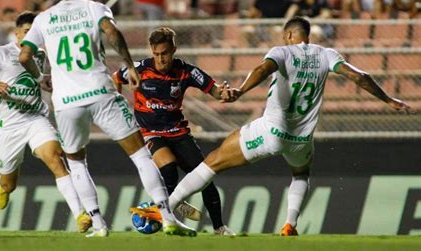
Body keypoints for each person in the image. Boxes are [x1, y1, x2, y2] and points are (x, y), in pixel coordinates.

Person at [136, 16, 411, 236]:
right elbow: (359, 76)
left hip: (272, 131)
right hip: (302, 140)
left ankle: (164, 210)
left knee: (212, 162)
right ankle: (290, 223)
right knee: (301, 174)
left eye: (285, 35)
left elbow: (261, 70)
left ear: (289, 35)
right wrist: (389, 99)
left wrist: (241, 90)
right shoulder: (327, 55)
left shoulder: (282, 51)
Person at [18, 0, 196, 238]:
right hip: (100, 92)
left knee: (76, 162)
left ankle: (99, 225)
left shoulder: (43, 19)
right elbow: (111, 32)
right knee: (139, 155)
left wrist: (40, 76)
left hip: (66, 102)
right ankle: (168, 218)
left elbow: (23, 56)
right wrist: (129, 65)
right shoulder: (94, 8)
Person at [0, 11, 93, 234]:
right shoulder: (1, 53)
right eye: (27, 32)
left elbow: (40, 78)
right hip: (10, 126)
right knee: (9, 184)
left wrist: (46, 82)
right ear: (16, 33)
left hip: (36, 119)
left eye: (35, 33)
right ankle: (3, 186)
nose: (31, 36)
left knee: (55, 158)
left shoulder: (40, 54)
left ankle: (80, 214)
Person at [112, 27, 234, 236]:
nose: (161, 59)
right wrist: (118, 100)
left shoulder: (186, 71)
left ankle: (219, 228)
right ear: (151, 51)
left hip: (178, 132)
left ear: (174, 50)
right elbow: (116, 76)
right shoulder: (140, 69)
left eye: (165, 54)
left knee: (205, 178)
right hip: (149, 131)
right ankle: (171, 210)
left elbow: (214, 90)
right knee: (168, 169)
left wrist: (223, 93)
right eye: (157, 54)